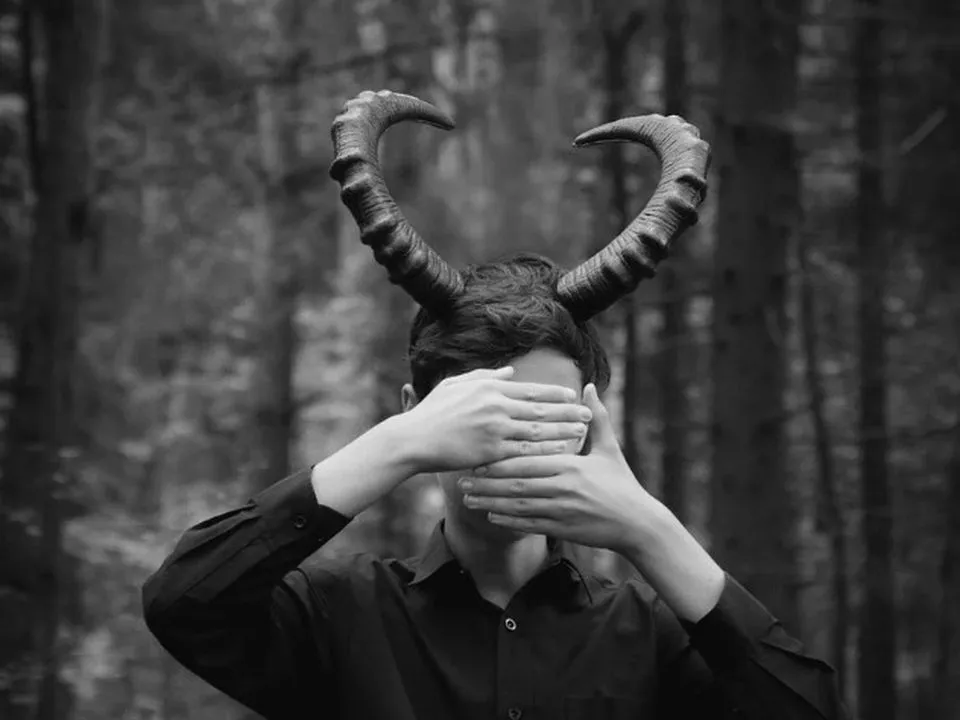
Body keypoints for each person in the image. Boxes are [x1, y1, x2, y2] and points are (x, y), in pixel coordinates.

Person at [143, 91, 845, 719]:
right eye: (481, 417)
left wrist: (651, 531)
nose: (516, 447)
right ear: (419, 415)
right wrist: (393, 445)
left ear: (590, 423)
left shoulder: (652, 635)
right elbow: (184, 603)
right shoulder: (336, 615)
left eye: (546, 416)